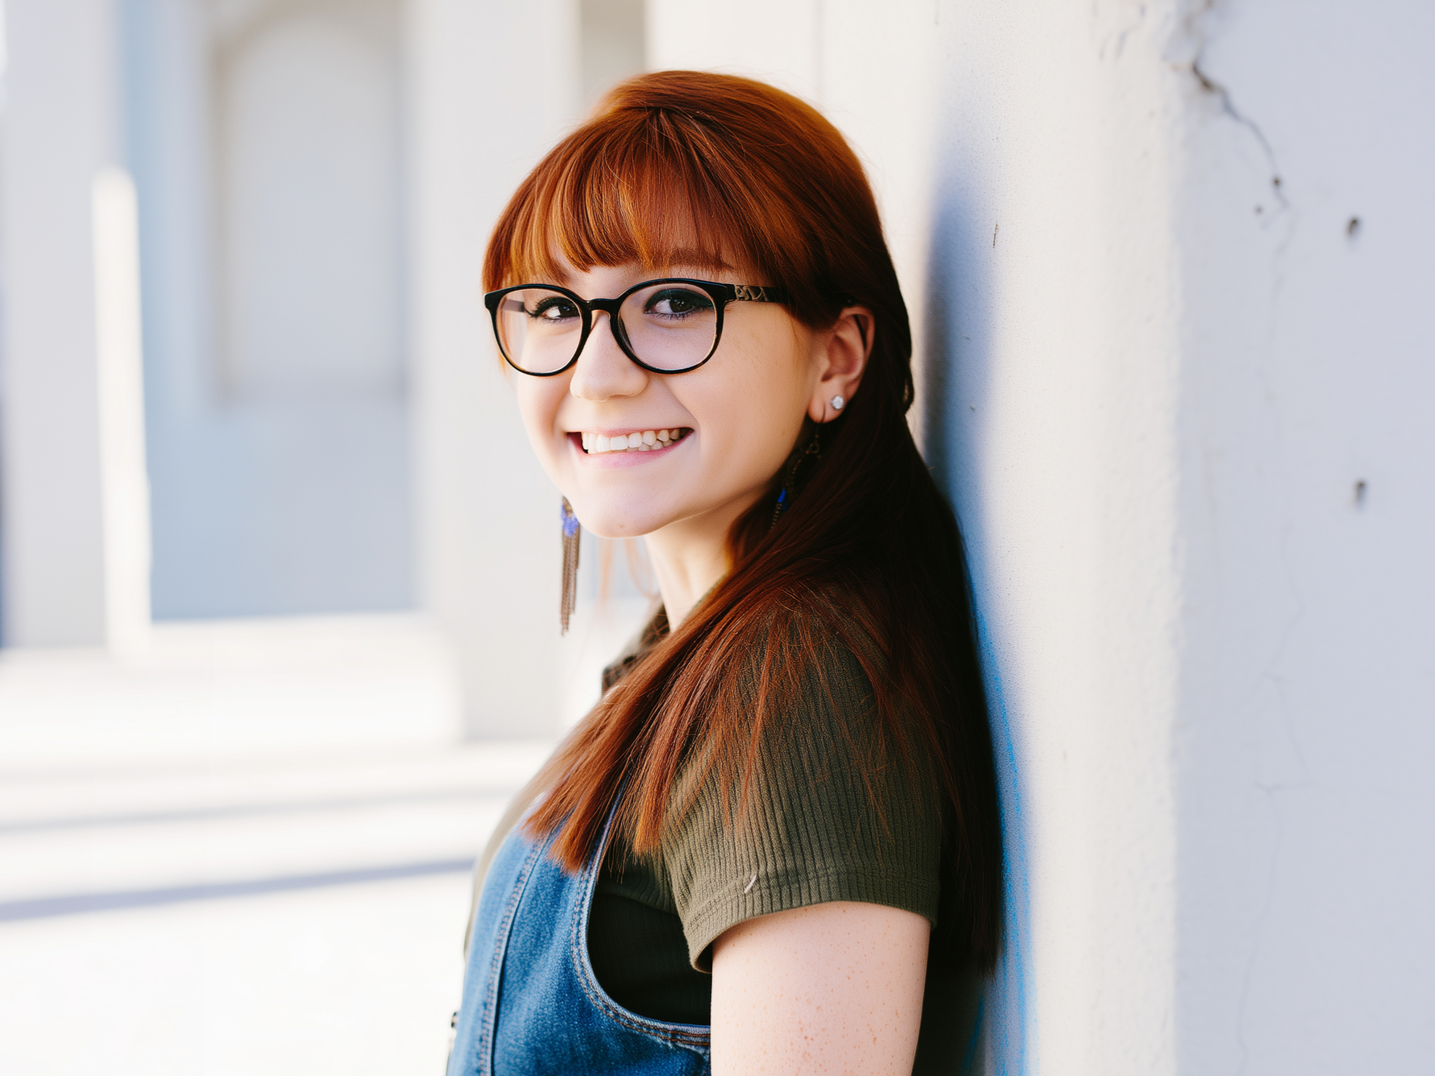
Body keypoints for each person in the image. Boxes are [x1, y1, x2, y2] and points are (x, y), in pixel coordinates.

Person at [446, 70, 1002, 1076]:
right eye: (552, 307)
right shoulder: (699, 638)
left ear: (835, 358)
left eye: (670, 301)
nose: (597, 373)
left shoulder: (799, 686)